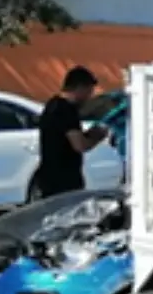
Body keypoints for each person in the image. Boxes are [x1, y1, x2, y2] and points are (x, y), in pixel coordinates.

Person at [34, 66, 108, 199]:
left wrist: (88, 134)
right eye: (89, 91)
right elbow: (79, 145)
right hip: (64, 183)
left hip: (48, 177)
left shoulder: (52, 104)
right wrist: (98, 136)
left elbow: (66, 138)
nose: (90, 96)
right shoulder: (67, 110)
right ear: (80, 87)